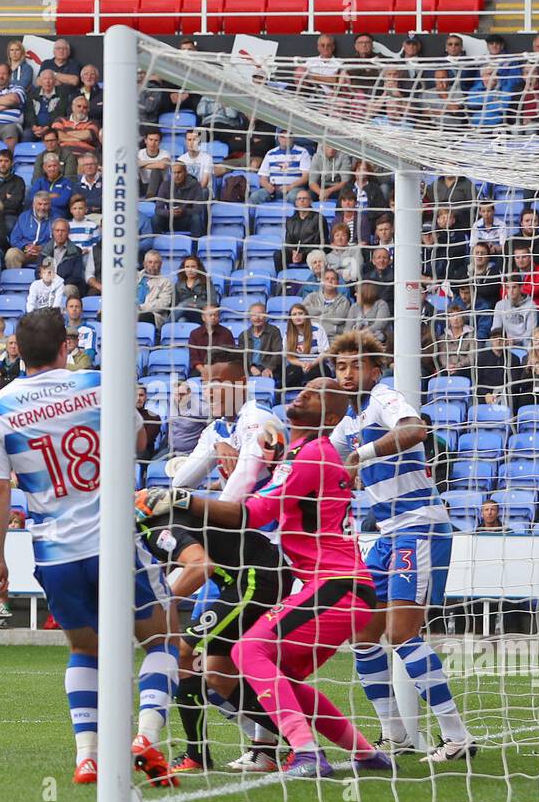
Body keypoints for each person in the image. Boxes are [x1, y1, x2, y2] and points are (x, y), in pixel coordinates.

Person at [141, 377, 393, 777]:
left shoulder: (311, 454)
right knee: (284, 678)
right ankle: (366, 753)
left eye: (314, 393)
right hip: (336, 586)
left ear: (329, 415)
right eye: (304, 387)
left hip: (337, 584)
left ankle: (307, 753)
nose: (302, 393)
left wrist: (183, 499)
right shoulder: (303, 452)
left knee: (247, 650)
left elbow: (255, 513)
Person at [0, 309, 176, 785]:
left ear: (18, 353)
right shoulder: (98, 383)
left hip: (56, 552)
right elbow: (139, 439)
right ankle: (144, 737)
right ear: (66, 345)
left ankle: (87, 756)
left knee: (84, 650)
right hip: (113, 540)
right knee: (162, 638)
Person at [328, 331, 474, 760]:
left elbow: (415, 430)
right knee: (363, 633)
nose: (347, 373)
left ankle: (457, 737)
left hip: (420, 528)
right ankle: (397, 734)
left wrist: (362, 456)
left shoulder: (383, 397)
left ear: (374, 370)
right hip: (388, 534)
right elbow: (322, 457)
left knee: (402, 633)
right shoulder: (349, 422)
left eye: (356, 365)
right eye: (340, 367)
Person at [161, 349, 289, 769]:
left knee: (242, 657)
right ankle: (258, 745)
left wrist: (200, 509)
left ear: (240, 384)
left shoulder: (263, 422)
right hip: (226, 560)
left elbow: (243, 484)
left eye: (219, 384)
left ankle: (272, 744)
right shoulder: (219, 429)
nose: (211, 393)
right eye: (206, 386)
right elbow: (180, 480)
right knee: (205, 663)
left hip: (265, 555)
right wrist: (214, 450)